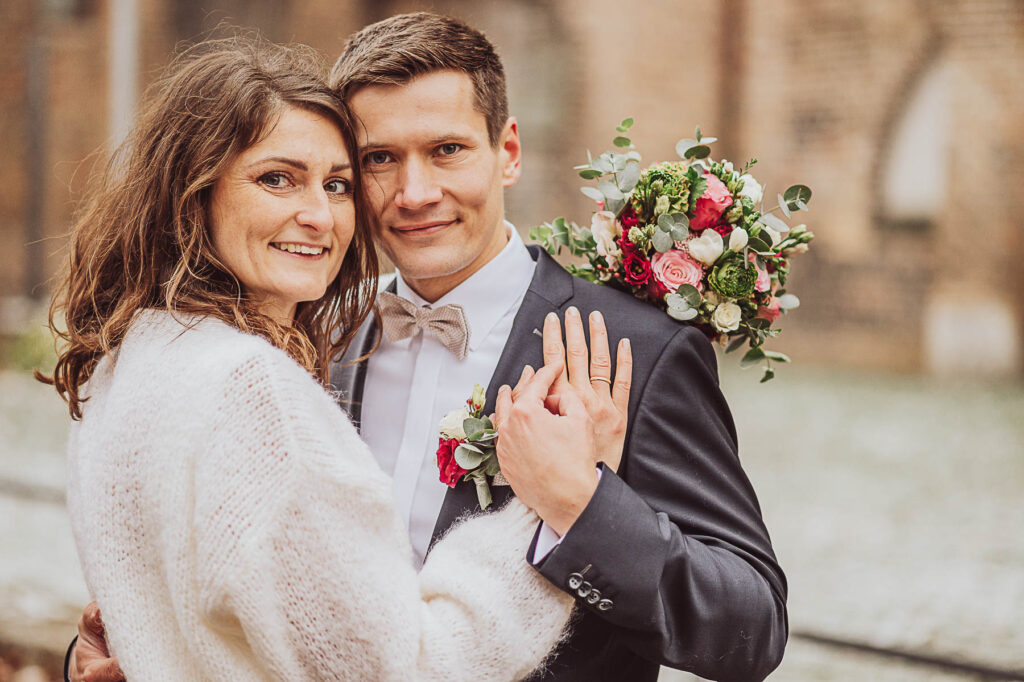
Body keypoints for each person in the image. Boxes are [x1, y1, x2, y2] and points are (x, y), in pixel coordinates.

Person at [70, 11, 788, 682]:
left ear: (506, 152)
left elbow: (751, 625)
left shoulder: (631, 348)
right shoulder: (308, 329)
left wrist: (582, 504)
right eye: (380, 159)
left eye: (447, 150)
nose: (415, 193)